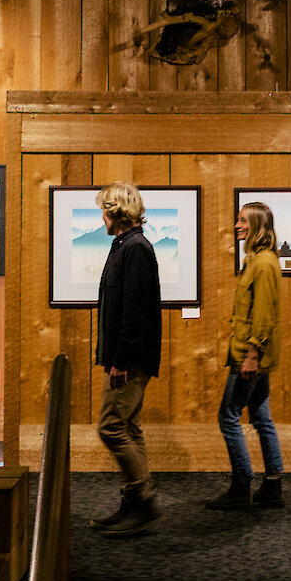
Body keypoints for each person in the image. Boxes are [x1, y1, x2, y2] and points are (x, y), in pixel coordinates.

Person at [91, 181, 163, 536]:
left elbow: (134, 312)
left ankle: (142, 502)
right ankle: (134, 504)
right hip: (126, 356)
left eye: (104, 209)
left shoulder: (134, 248)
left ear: (116, 212)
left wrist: (120, 360)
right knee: (129, 426)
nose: (101, 216)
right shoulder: (126, 246)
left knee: (111, 427)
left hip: (129, 360)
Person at [206, 201, 284, 509]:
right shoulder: (257, 261)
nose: (237, 225)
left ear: (257, 226)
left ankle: (241, 486)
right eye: (237, 220)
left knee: (228, 417)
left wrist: (252, 354)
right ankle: (273, 485)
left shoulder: (263, 264)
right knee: (262, 417)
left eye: (242, 221)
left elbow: (263, 315)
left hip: (250, 356)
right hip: (253, 354)